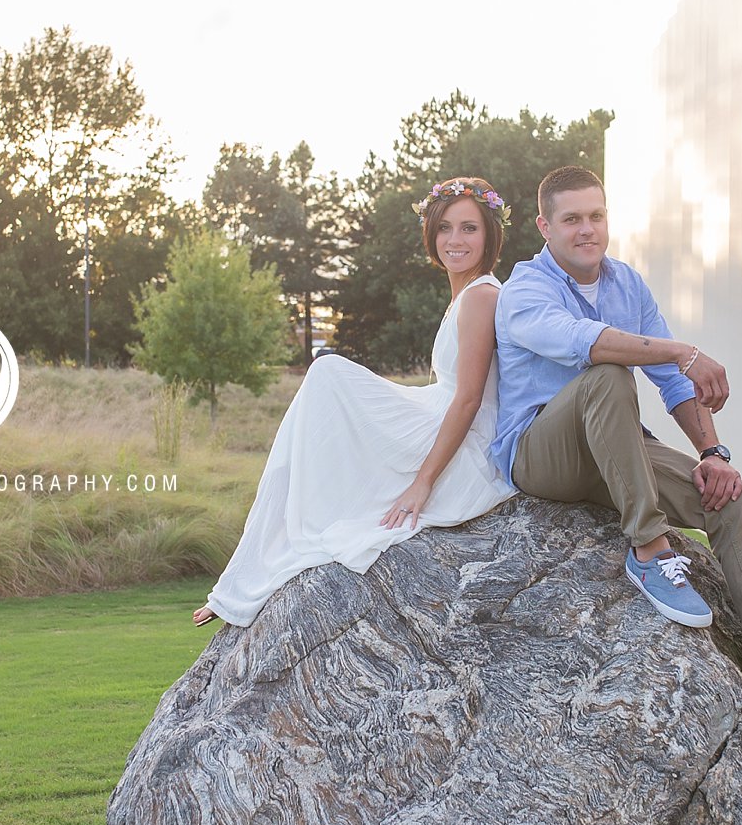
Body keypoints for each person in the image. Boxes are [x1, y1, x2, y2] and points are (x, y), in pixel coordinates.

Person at [489, 165, 742, 724]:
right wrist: (681, 349)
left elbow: (672, 383)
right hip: (543, 453)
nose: (586, 229)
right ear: (545, 226)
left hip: (617, 450)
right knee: (608, 374)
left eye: (596, 216)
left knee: (737, 499)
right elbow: (583, 343)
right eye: (571, 219)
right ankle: (649, 549)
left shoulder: (627, 285)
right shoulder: (525, 290)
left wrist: (714, 454)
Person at [191, 177, 518, 627]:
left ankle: (243, 582)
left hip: (465, 443)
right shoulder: (465, 294)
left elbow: (468, 399)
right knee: (319, 410)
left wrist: (423, 483)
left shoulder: (482, 295)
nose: (455, 240)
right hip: (440, 414)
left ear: (490, 235)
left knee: (327, 377)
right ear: (431, 234)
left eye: (469, 228)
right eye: (444, 228)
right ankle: (244, 579)